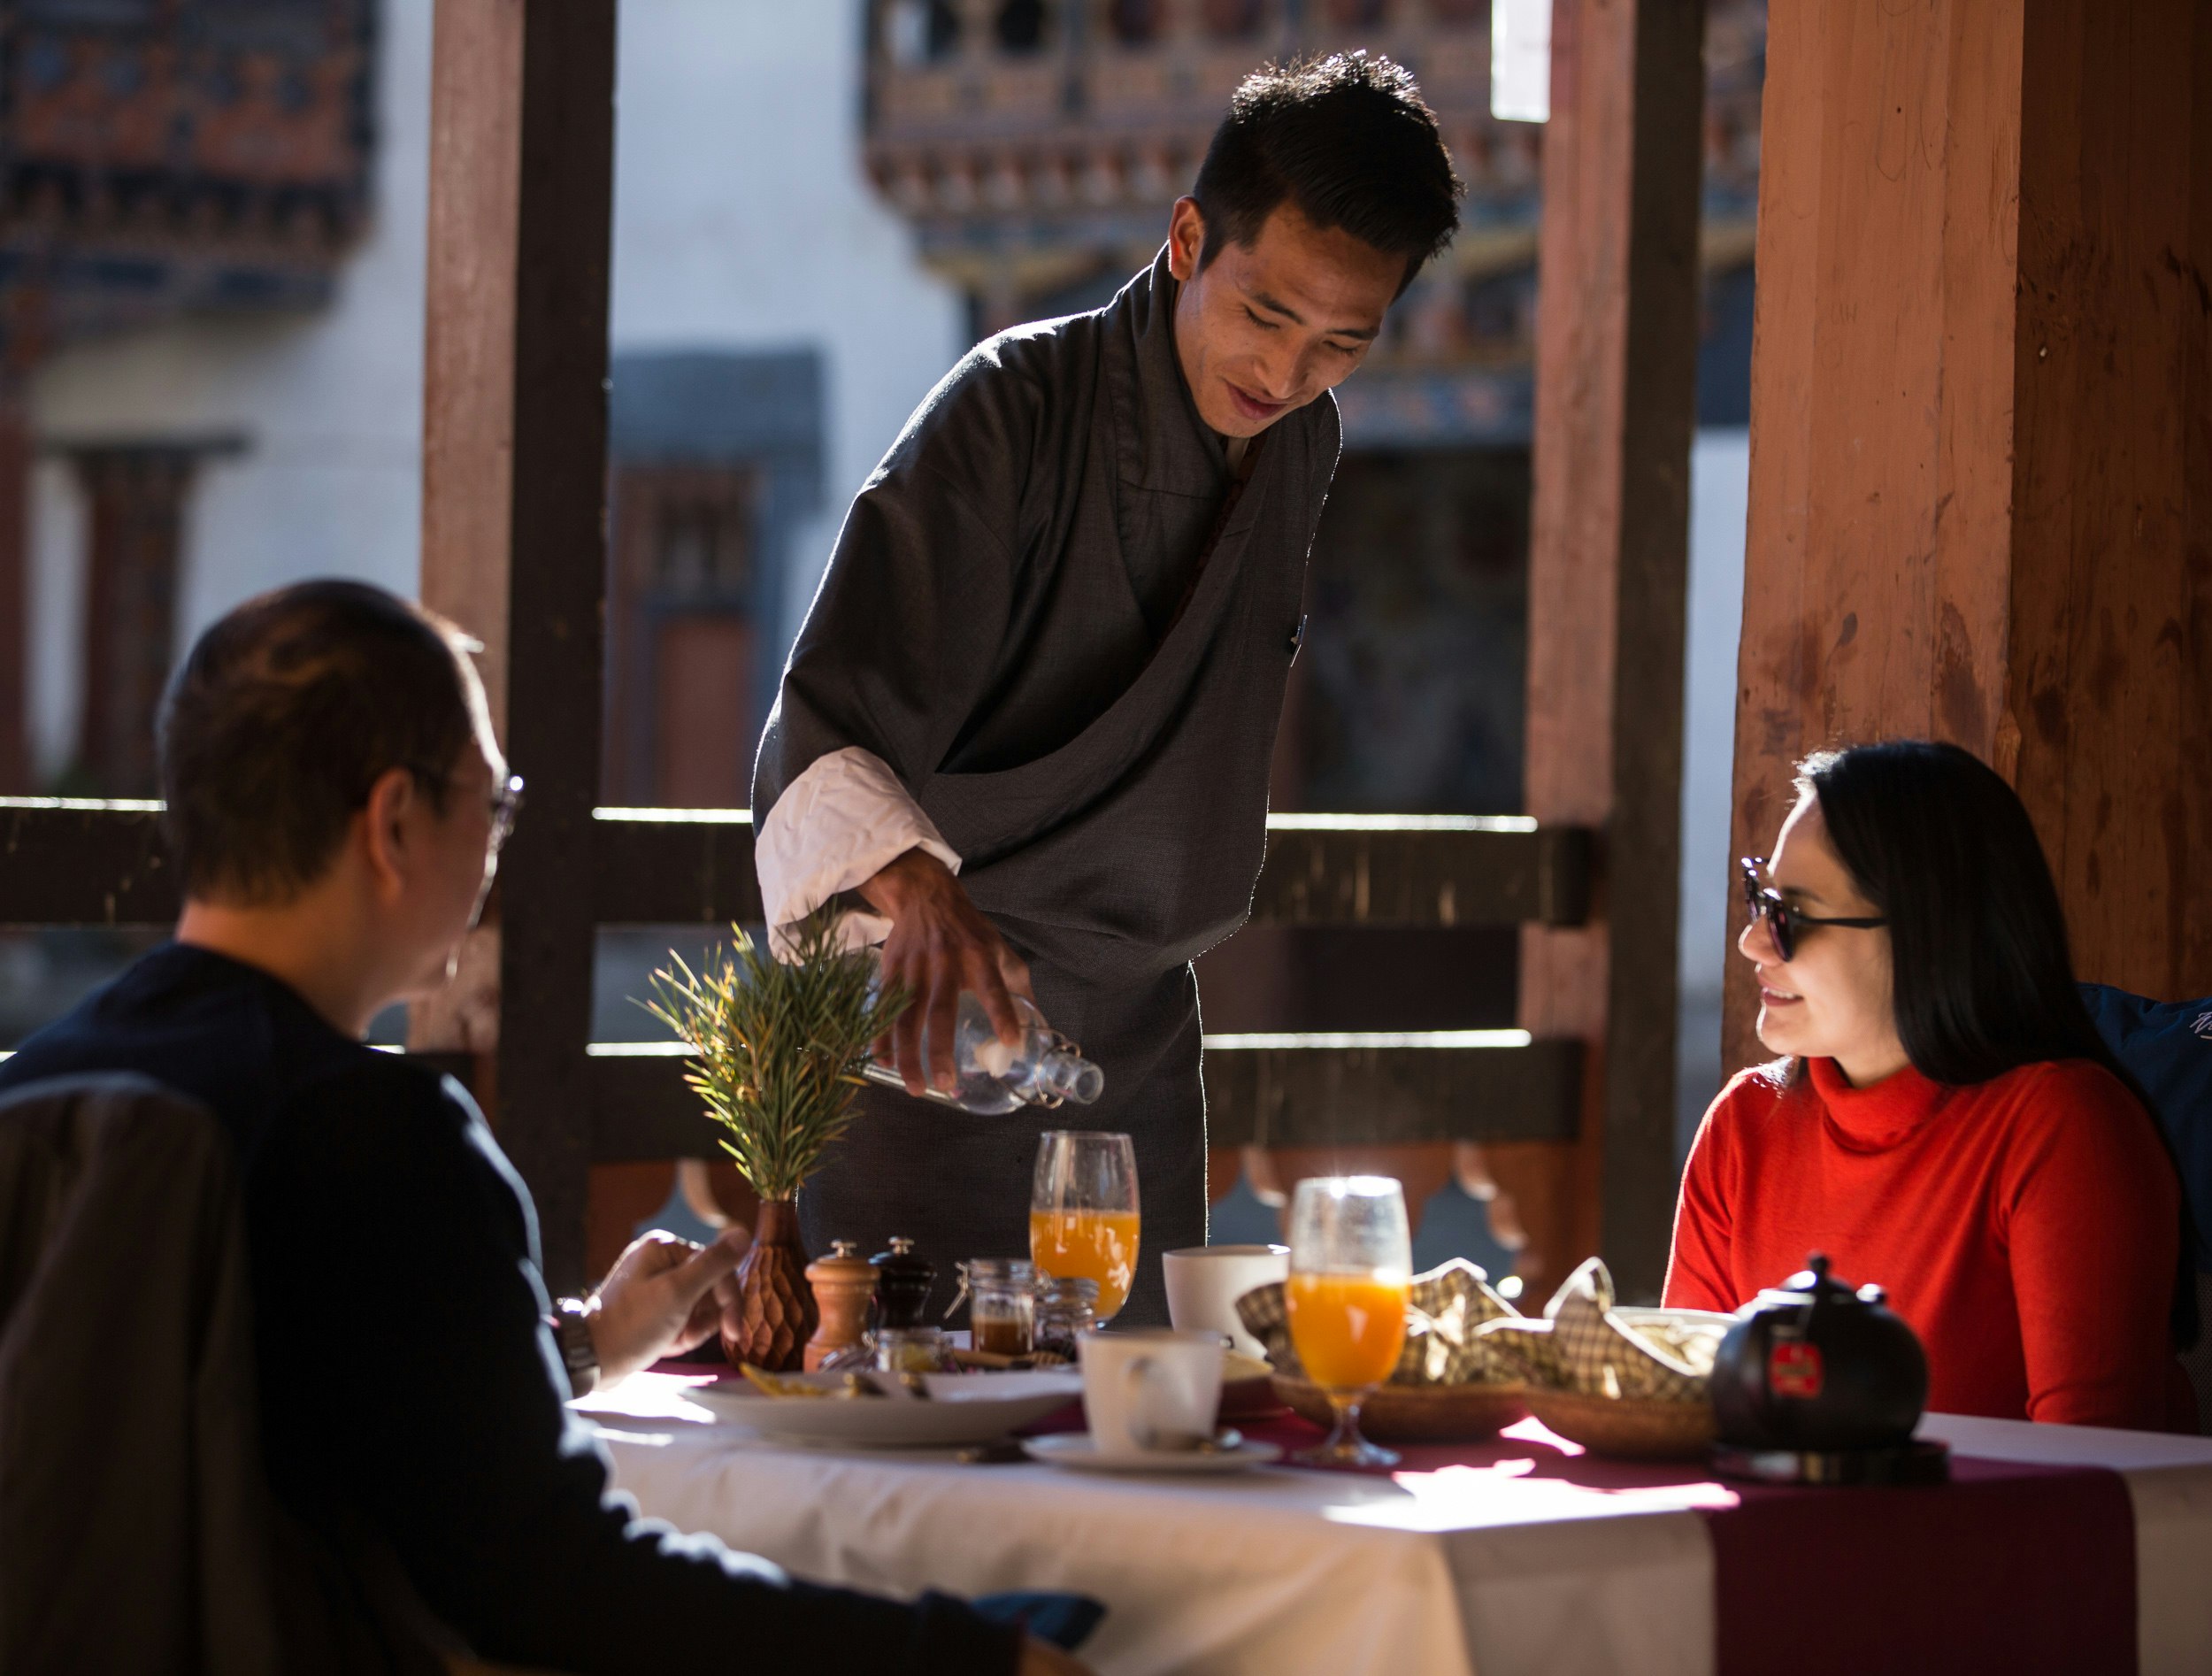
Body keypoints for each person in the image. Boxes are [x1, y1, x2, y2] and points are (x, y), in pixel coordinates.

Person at [0, 581, 1086, 1674]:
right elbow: (556, 1581)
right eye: (495, 802)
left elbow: (257, 1411)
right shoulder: (378, 1135)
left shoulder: (36, 1093)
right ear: (392, 823)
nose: (496, 842)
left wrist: (585, 1346)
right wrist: (967, 1661)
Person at [752, 53, 1464, 1319]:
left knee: (1133, 1441)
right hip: (941, 1019)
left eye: (1340, 342)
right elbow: (826, 718)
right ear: (1189, 237)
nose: (1287, 373)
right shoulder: (1009, 409)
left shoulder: (1302, 441)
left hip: (1130, 1050)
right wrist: (914, 887)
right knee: (917, 1435)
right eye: (1264, 314)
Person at [1665, 740, 2197, 1430]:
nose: (1753, 944)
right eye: (1759, 901)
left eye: (1792, 917)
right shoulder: (1745, 1124)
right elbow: (1685, 1417)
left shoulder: (2063, 1128)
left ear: (1925, 932)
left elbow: (2086, 1486)